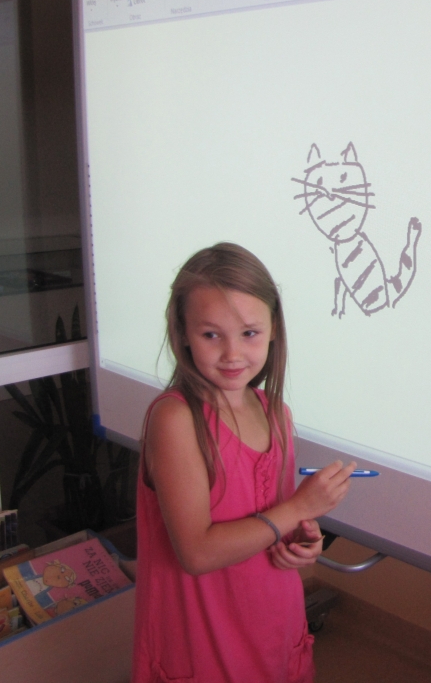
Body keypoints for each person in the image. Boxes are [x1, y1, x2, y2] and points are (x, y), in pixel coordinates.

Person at [132, 243, 357, 683]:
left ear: (273, 330)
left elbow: (271, 521)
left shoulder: (276, 414)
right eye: (211, 335)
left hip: (274, 626)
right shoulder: (176, 419)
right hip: (204, 644)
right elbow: (196, 553)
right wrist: (299, 507)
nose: (232, 354)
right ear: (182, 333)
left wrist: (302, 538)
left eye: (249, 333)